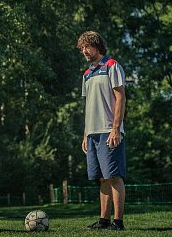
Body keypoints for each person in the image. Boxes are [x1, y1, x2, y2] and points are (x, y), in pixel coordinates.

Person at [77, 31, 126, 231]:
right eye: (81, 48)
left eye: (87, 47)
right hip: (93, 134)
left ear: (96, 45)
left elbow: (120, 97)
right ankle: (103, 221)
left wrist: (115, 129)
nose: (84, 51)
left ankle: (118, 222)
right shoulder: (86, 74)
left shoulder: (112, 66)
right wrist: (85, 134)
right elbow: (89, 105)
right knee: (102, 178)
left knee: (114, 176)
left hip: (109, 130)